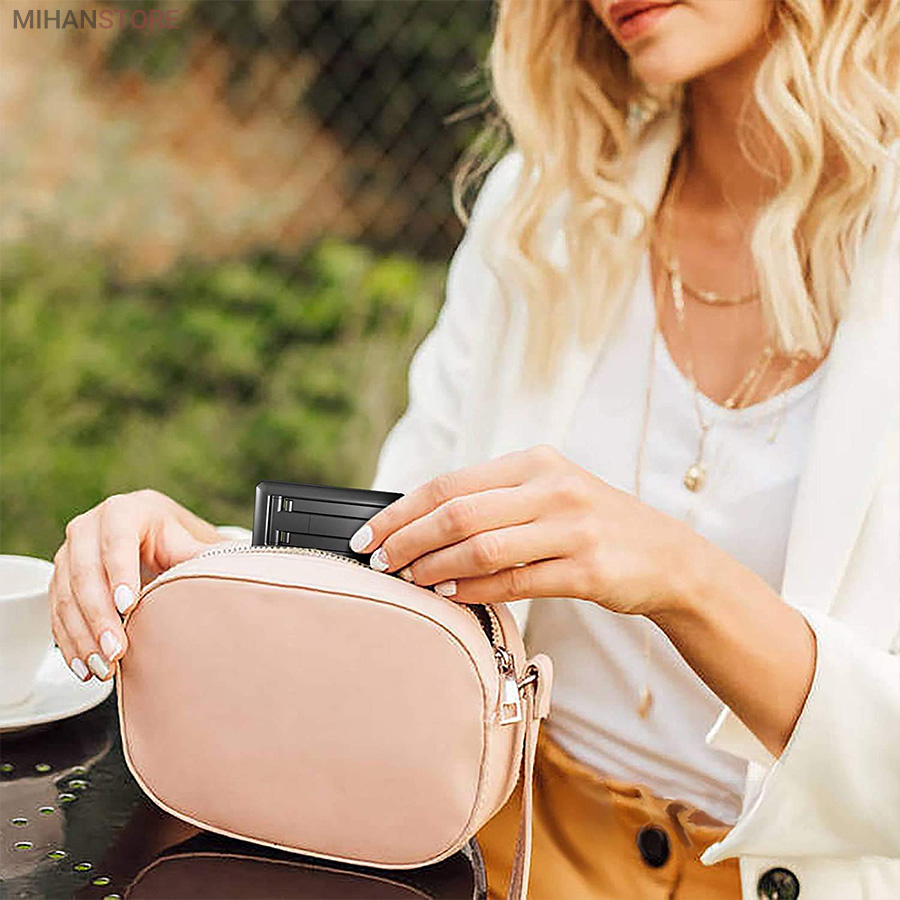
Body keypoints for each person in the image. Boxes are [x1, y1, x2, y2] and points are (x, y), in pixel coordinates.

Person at [48, 1, 899, 898]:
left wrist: (682, 576)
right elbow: (402, 569)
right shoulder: (545, 207)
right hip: (496, 855)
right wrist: (214, 568)